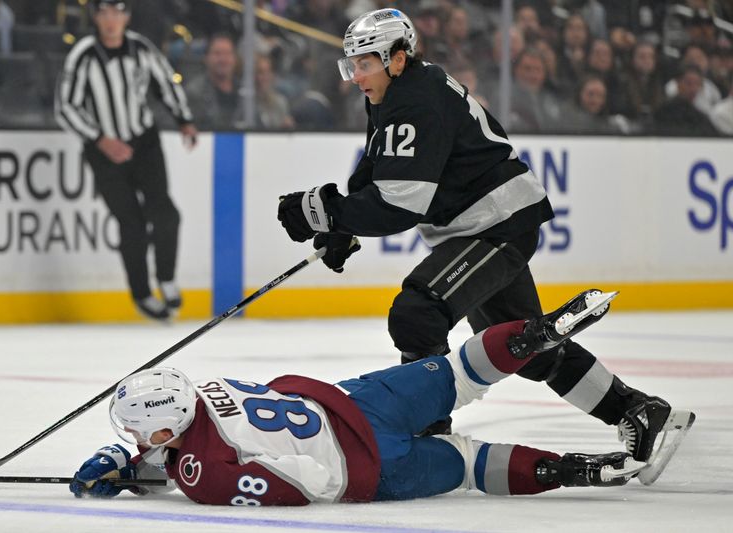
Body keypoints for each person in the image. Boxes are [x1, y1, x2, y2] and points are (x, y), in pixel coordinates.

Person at [275, 8, 686, 468]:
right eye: (351, 65)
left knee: (417, 313)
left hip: (494, 225)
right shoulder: (398, 90)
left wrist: (323, 212)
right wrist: (343, 224)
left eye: (363, 64)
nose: (355, 76)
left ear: (396, 58)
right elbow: (379, 168)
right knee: (524, 351)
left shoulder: (415, 100)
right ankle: (635, 409)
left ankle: (430, 433)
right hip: (491, 224)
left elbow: (400, 203)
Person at [70, 290, 693, 504]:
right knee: (458, 371)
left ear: (162, 430)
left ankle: (581, 471)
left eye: (138, 434)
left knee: (473, 466)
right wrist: (136, 467)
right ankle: (539, 332)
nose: (138, 440)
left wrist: (146, 469)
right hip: (357, 403)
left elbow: (299, 483)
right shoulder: (204, 392)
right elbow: (208, 441)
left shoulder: (200, 473)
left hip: (370, 466)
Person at [55, 0, 198, 321]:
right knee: (131, 222)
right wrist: (100, 139)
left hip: (144, 141)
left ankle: (166, 278)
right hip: (104, 150)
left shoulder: (140, 48)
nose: (111, 20)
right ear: (95, 17)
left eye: (117, 12)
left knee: (165, 213)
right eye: (104, 12)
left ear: (126, 17)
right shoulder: (84, 54)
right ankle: (142, 293)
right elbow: (65, 107)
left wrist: (184, 119)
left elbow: (165, 83)